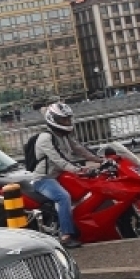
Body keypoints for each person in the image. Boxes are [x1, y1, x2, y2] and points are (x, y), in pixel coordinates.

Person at [32, 102, 101, 249]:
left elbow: (79, 149)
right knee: (63, 197)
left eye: (68, 119)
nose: (67, 122)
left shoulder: (63, 136)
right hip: (44, 179)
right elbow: (59, 160)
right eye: (64, 120)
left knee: (86, 190)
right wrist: (79, 170)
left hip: (59, 175)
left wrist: (100, 160)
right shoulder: (45, 138)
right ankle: (66, 236)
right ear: (53, 119)